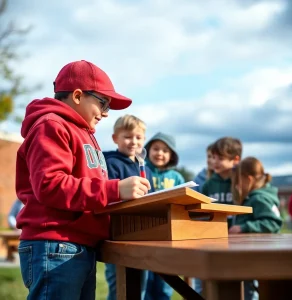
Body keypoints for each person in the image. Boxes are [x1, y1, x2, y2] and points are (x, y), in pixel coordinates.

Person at [15, 60, 151, 300]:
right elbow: (51, 185)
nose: (107, 112)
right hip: (56, 244)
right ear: (77, 96)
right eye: (103, 103)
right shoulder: (51, 125)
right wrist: (115, 189)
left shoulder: (84, 133)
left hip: (77, 245)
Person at [103, 114, 155, 300]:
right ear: (115, 138)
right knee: (119, 286)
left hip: (141, 235)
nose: (133, 142)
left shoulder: (145, 168)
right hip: (119, 234)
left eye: (138, 137)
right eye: (127, 137)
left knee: (139, 287)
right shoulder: (110, 164)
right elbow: (108, 195)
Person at [229, 156, 282, 300]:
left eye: (239, 182)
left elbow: (272, 223)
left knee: (251, 293)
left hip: (258, 259)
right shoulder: (253, 197)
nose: (237, 187)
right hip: (250, 258)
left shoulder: (259, 198)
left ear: (249, 179)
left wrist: (243, 227)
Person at [144, 132, 185, 300]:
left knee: (166, 284)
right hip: (146, 236)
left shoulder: (177, 178)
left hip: (169, 237)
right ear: (147, 150)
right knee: (145, 282)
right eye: (156, 148)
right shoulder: (142, 171)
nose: (160, 153)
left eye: (165, 150)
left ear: (172, 155)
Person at [191, 143, 214, 294]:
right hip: (201, 236)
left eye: (216, 157)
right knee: (200, 281)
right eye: (210, 157)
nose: (212, 160)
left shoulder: (232, 180)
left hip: (222, 236)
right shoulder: (199, 179)